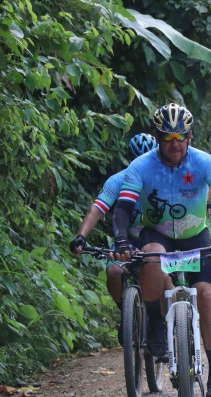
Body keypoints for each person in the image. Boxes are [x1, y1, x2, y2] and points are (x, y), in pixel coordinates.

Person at [112, 103, 211, 397]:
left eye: (179, 137)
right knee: (151, 256)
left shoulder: (205, 162)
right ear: (157, 137)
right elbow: (123, 209)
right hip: (157, 233)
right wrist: (121, 239)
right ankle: (157, 323)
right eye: (167, 137)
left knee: (206, 296)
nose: (174, 144)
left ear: (189, 136)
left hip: (195, 234)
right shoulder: (140, 166)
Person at [69, 133, 157, 343]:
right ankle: (127, 314)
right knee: (114, 270)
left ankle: (164, 321)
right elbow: (97, 209)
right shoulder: (118, 180)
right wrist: (81, 236)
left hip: (156, 238)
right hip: (127, 240)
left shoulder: (162, 179)